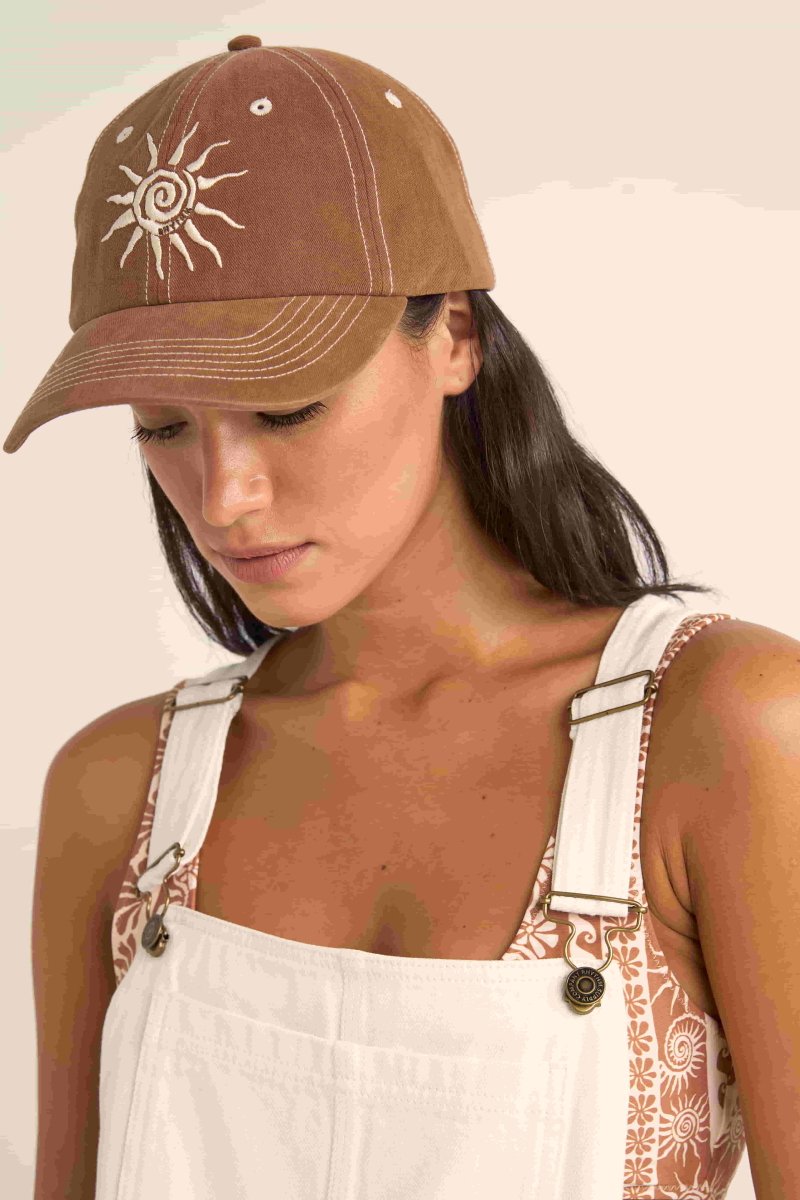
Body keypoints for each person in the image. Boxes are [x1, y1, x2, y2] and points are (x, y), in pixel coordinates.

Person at [11, 35, 798, 1200]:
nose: (222, 497)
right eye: (162, 427)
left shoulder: (723, 735)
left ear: (456, 337)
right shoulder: (119, 789)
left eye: (285, 405)